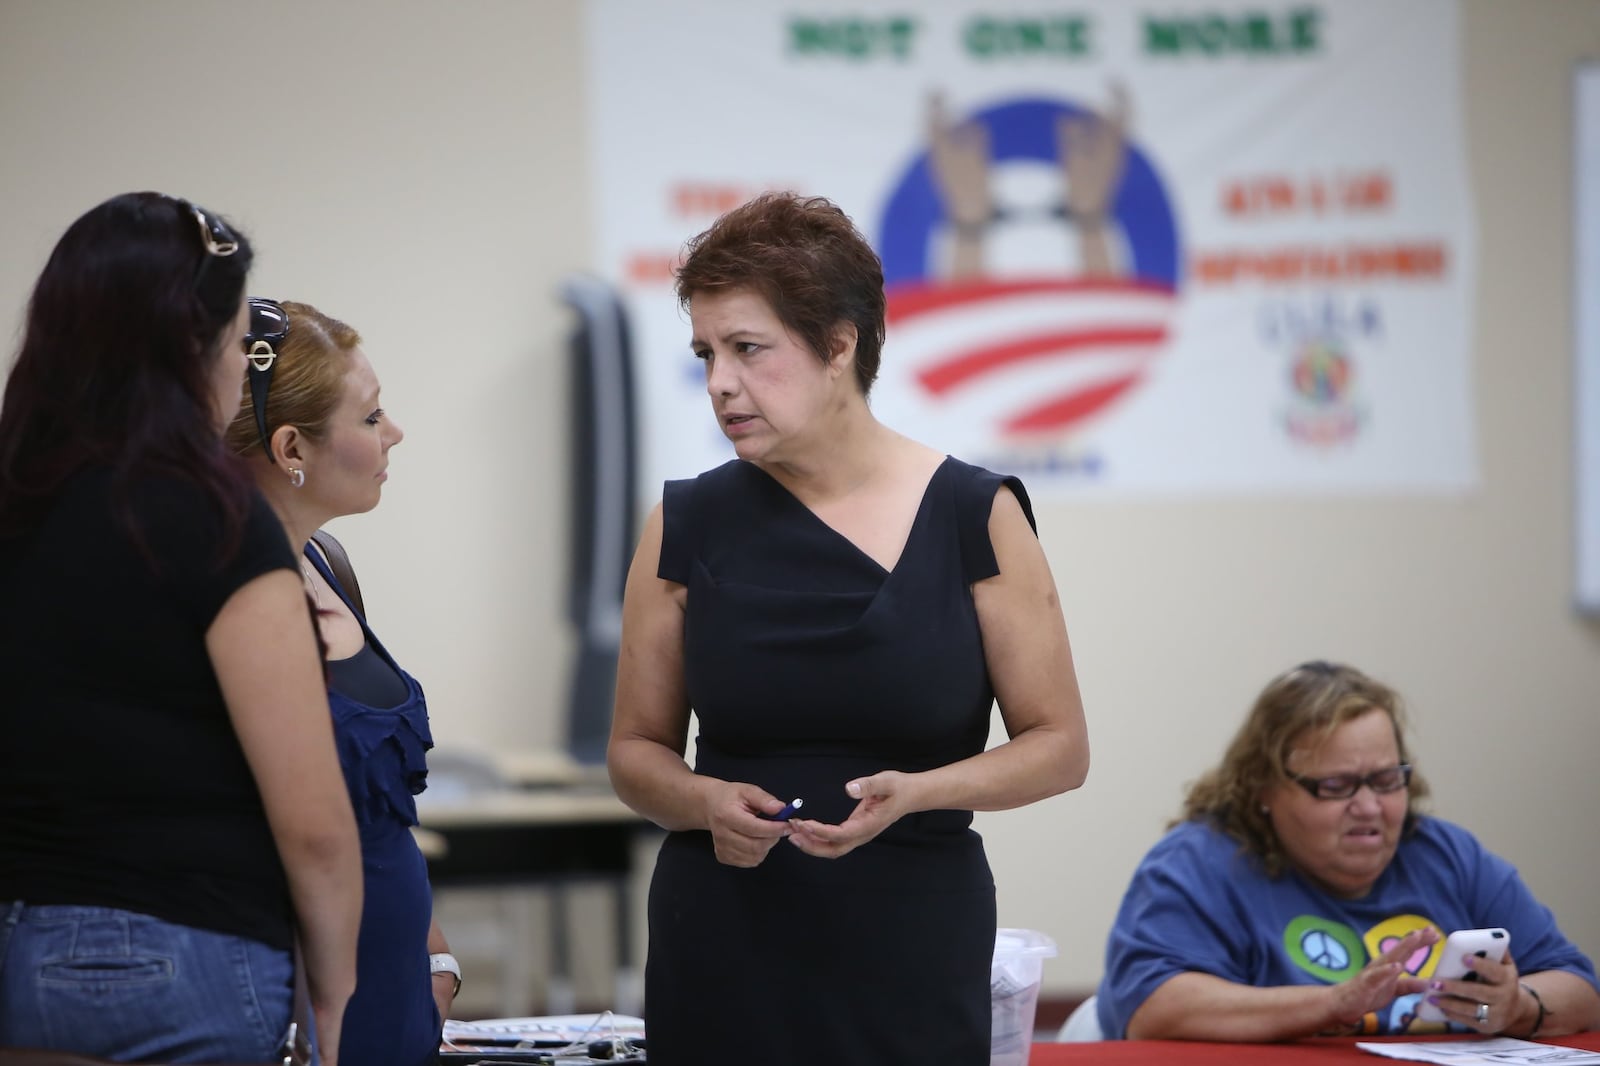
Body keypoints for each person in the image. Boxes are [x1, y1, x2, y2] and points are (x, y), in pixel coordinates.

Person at [607, 191, 1091, 1064]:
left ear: (839, 344)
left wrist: (921, 790)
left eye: (749, 349)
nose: (720, 382)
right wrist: (703, 800)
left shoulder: (972, 515)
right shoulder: (685, 522)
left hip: (909, 935)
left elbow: (1060, 747)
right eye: (706, 353)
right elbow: (635, 752)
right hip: (723, 936)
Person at [0, 193, 362, 1063]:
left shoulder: (17, 511)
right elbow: (312, 821)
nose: (243, 370)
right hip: (182, 953)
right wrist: (336, 991)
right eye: (240, 342)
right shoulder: (215, 522)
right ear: (185, 350)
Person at [1096, 660, 1600, 1041]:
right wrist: (1334, 1003)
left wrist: (1519, 1006)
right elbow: (1152, 1008)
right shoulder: (1198, 863)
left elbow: (1580, 986)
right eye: (1336, 785)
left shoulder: (1445, 855)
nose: (1369, 807)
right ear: (1264, 789)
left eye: (1386, 780)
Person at [223, 299, 454, 1066]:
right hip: (303, 999)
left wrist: (432, 950)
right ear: (293, 446)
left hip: (396, 991)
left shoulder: (327, 565)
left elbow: (376, 811)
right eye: (371, 417)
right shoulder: (221, 594)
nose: (394, 433)